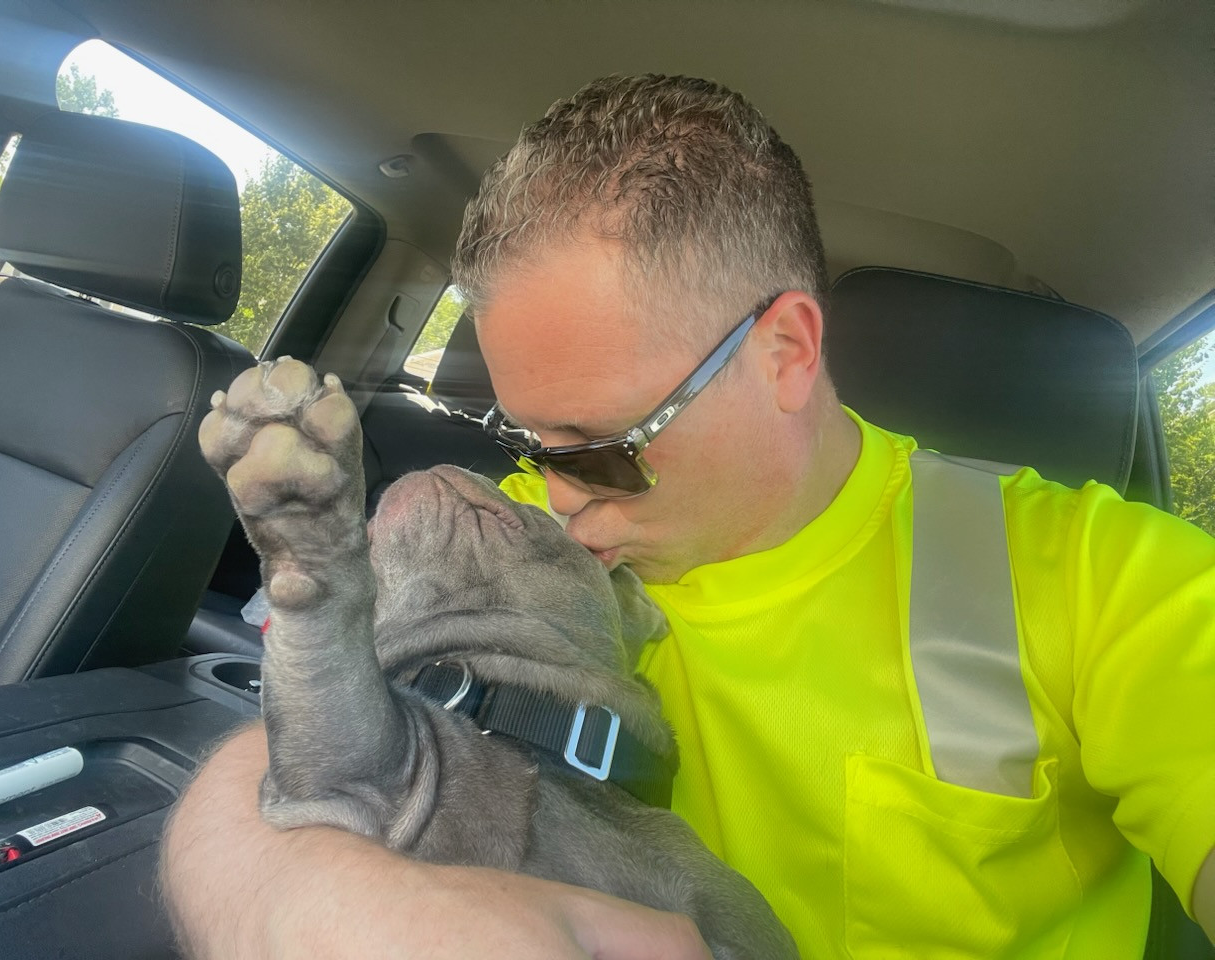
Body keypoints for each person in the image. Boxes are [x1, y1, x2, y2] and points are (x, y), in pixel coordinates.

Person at [162, 74, 1215, 959]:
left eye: (601, 446)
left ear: (785, 352)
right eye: (527, 441)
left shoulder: (1096, 579)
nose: (558, 497)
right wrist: (302, 897)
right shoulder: (512, 537)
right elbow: (280, 750)